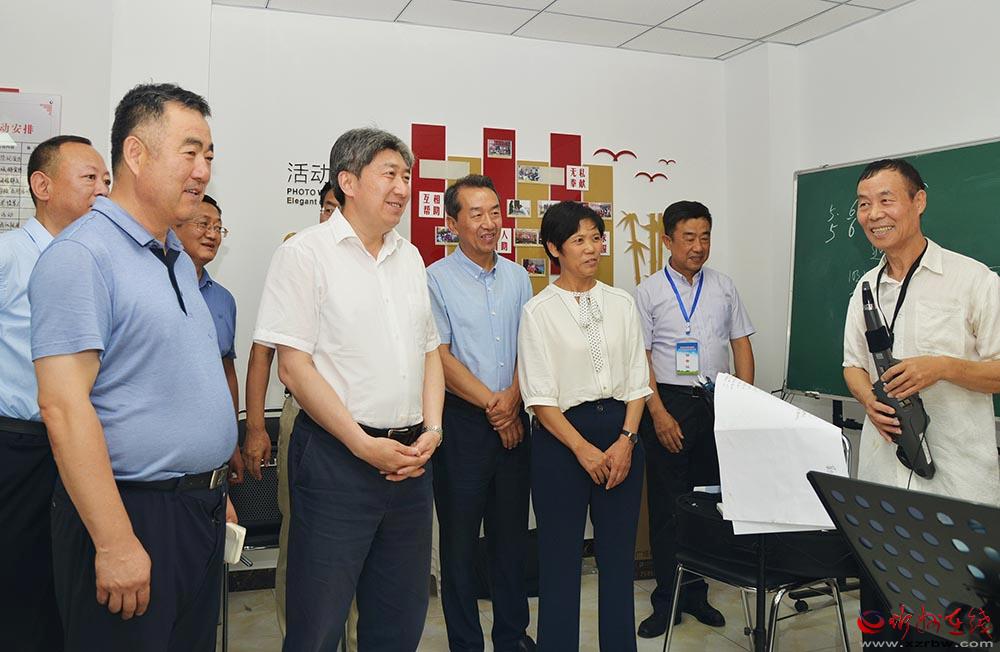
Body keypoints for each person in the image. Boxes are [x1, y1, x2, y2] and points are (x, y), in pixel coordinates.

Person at [29, 83, 237, 652]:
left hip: (197, 509)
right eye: (189, 152)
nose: (203, 170)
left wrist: (213, 483)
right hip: (131, 513)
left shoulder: (175, 257)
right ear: (136, 154)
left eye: (209, 155)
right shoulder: (82, 256)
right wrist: (115, 541)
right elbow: (63, 406)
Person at [253, 127, 445, 652]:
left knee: (399, 619)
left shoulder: (410, 258)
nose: (403, 187)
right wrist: (362, 444)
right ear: (349, 181)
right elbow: (293, 368)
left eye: (407, 176)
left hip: (410, 461)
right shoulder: (305, 254)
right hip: (336, 458)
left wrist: (432, 430)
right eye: (390, 174)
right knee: (318, 621)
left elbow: (429, 351)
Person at [843, 159, 1000, 645]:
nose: (874, 214)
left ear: (919, 201)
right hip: (882, 485)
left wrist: (944, 367)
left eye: (886, 200)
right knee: (884, 630)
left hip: (957, 491)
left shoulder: (973, 280)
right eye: (864, 204)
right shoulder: (865, 287)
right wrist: (868, 399)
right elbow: (852, 365)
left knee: (952, 631)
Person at [517, 201, 651, 651]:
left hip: (621, 432)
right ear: (554, 248)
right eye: (579, 240)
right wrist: (581, 449)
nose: (592, 248)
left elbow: (638, 380)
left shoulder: (621, 303)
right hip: (561, 441)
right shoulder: (538, 311)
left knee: (617, 560)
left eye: (596, 237)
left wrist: (627, 440)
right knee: (559, 560)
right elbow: (539, 397)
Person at [0, 134, 109, 652]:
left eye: (106, 180)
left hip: (85, 444)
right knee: (20, 581)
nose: (103, 190)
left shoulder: (97, 260)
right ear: (42, 186)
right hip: (20, 447)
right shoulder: (9, 255)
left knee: (71, 580)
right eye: (89, 178)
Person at [243, 179, 360, 648]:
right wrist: (255, 427)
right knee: (302, 540)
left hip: (364, 421)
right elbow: (263, 354)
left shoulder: (377, 264)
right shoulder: (300, 257)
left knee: (362, 546)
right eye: (328, 207)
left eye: (341, 208)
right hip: (306, 419)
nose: (334, 217)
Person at [635, 200, 755, 639]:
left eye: (705, 237)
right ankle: (666, 598)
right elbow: (641, 358)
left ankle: (697, 593)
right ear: (667, 240)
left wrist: (742, 402)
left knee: (706, 503)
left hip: (715, 401)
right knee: (668, 507)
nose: (698, 246)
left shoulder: (724, 287)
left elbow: (741, 345)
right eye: (689, 237)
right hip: (667, 402)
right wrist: (658, 413)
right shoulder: (648, 292)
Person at [426, 174, 535, 652]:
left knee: (511, 540)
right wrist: (495, 406)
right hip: (464, 424)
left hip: (515, 417)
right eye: (476, 214)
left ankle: (512, 637)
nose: (489, 223)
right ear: (453, 223)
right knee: (459, 545)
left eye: (495, 212)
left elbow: (530, 349)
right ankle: (466, 644)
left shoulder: (518, 277)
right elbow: (440, 357)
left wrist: (512, 400)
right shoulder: (434, 279)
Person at [174, 193, 244, 482]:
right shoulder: (152, 289)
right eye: (203, 224)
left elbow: (226, 371)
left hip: (213, 449)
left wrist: (233, 441)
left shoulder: (224, 300)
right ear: (175, 226)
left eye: (218, 227)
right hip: (164, 449)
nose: (213, 235)